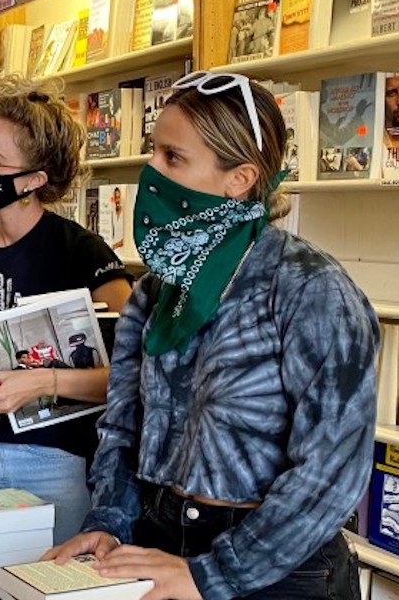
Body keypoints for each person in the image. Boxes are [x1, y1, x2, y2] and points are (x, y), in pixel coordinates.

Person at [47, 72, 377, 600]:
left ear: (240, 178)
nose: (150, 172)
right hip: (158, 544)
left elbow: (332, 473)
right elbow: (122, 426)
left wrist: (213, 574)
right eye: (153, 151)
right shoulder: (157, 292)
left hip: (276, 570)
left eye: (173, 158)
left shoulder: (312, 291)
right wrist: (110, 524)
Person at [0, 74, 133, 540]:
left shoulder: (82, 253)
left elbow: (135, 378)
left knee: (49, 583)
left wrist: (42, 383)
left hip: (52, 458)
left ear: (33, 180)